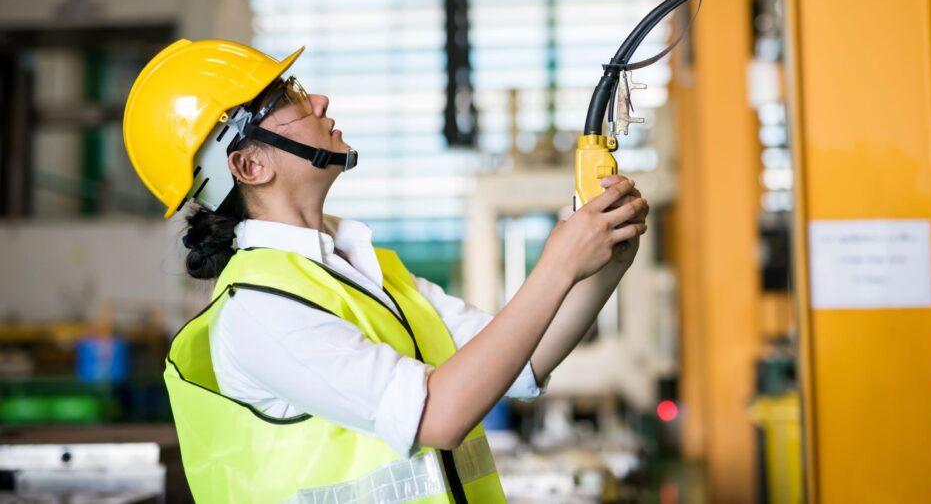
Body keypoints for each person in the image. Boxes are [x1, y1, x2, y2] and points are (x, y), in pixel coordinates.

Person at [122, 38, 649, 503]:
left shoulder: (361, 268)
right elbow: (437, 417)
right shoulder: (259, 311)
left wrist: (607, 257)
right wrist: (557, 265)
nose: (319, 100)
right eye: (286, 98)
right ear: (250, 165)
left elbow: (521, 360)